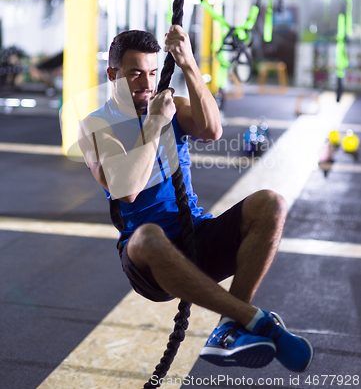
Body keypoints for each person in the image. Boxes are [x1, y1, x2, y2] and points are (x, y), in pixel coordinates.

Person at [78, 24, 313, 372]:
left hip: (195, 236)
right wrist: (155, 123)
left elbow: (212, 130)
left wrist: (188, 65)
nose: (147, 83)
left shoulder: (171, 105)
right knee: (148, 236)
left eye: (153, 73)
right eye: (135, 74)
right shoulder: (96, 126)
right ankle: (251, 319)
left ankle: (228, 329)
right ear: (112, 74)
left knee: (271, 203)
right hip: (147, 260)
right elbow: (127, 189)